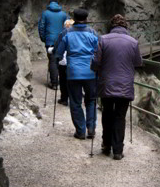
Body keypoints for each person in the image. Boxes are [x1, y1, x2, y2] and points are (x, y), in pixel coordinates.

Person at [91, 14, 143, 160]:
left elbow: (96, 63)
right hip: (125, 85)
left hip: (107, 83)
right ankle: (118, 151)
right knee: (120, 116)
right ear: (125, 26)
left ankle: (106, 145)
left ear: (112, 26)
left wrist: (96, 68)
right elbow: (138, 62)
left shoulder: (103, 39)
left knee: (107, 114)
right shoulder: (133, 42)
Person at [55, 9, 99, 140]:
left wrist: (55, 57)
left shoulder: (66, 33)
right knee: (91, 100)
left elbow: (58, 52)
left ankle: (80, 131)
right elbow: (99, 51)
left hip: (73, 72)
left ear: (73, 18)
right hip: (91, 72)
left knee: (75, 102)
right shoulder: (92, 33)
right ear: (86, 18)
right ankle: (91, 128)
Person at [38, 0, 67, 89]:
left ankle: (54, 83)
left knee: (53, 61)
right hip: (62, 39)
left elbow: (41, 27)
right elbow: (70, 24)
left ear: (49, 4)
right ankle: (63, 82)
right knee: (61, 60)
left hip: (50, 40)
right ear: (58, 4)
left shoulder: (45, 13)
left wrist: (44, 38)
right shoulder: (64, 14)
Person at [53, 19, 75, 106]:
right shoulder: (80, 33)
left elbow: (57, 46)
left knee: (63, 80)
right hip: (75, 61)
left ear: (66, 25)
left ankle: (64, 99)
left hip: (64, 60)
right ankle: (73, 99)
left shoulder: (63, 33)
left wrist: (54, 53)